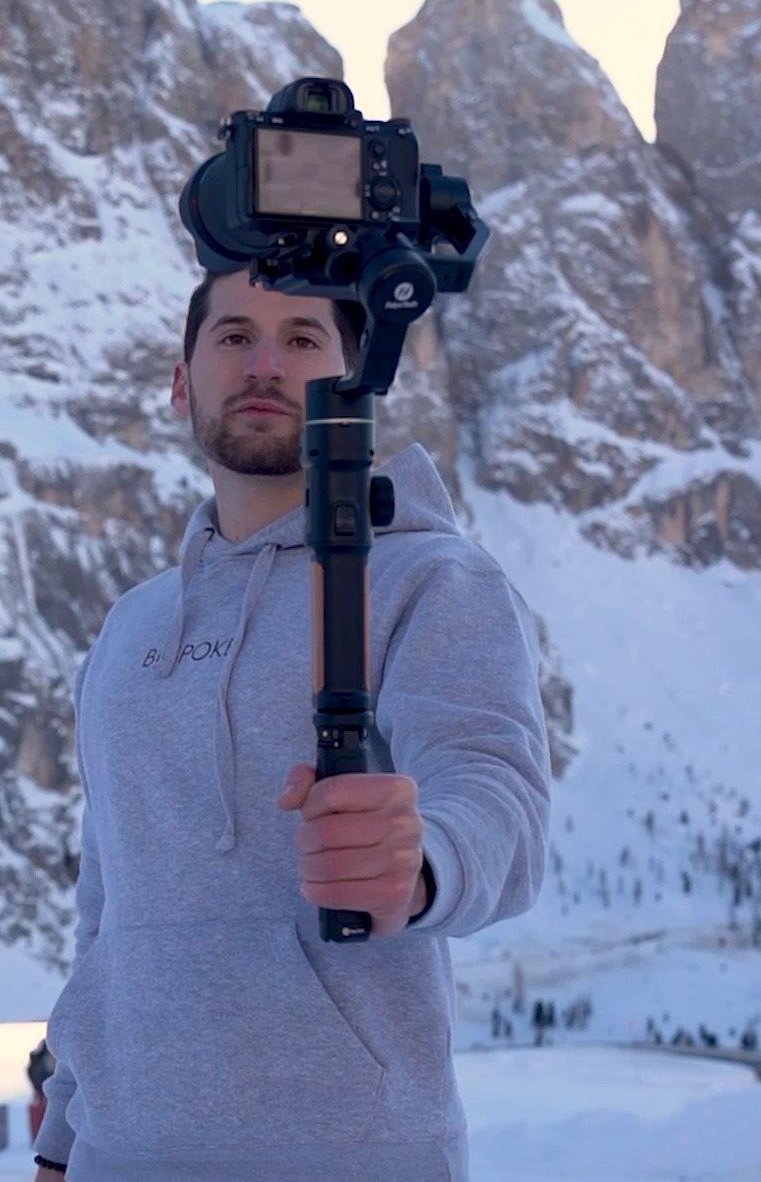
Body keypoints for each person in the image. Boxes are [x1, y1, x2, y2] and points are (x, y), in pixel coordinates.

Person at [32, 266, 552, 1180]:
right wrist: (64, 1142)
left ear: (355, 381)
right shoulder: (132, 627)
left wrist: (420, 862)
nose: (265, 363)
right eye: (233, 336)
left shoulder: (426, 580)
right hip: (120, 1160)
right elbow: (109, 910)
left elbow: (495, 789)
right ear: (181, 380)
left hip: (355, 1158)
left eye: (303, 339)